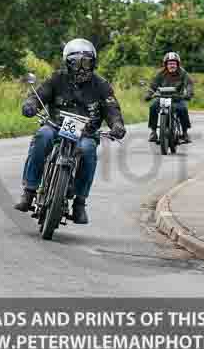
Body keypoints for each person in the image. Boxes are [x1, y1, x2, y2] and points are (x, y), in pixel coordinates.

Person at [15, 38, 126, 224]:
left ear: (93, 63)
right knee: (42, 136)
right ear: (68, 62)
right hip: (55, 126)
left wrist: (117, 125)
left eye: (86, 62)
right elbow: (39, 94)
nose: (82, 68)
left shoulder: (101, 85)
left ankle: (80, 203)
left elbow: (112, 108)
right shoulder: (57, 78)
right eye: (77, 63)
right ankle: (29, 191)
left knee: (89, 150)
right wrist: (31, 104)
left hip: (86, 133)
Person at [145, 52, 194, 144]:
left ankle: (184, 133)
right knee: (153, 107)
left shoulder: (183, 73)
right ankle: (153, 132)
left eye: (174, 63)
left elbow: (189, 84)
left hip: (177, 98)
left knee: (183, 109)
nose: (172, 65)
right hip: (162, 97)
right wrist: (148, 94)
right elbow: (153, 86)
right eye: (170, 63)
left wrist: (189, 93)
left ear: (178, 64)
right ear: (166, 64)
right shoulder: (160, 74)